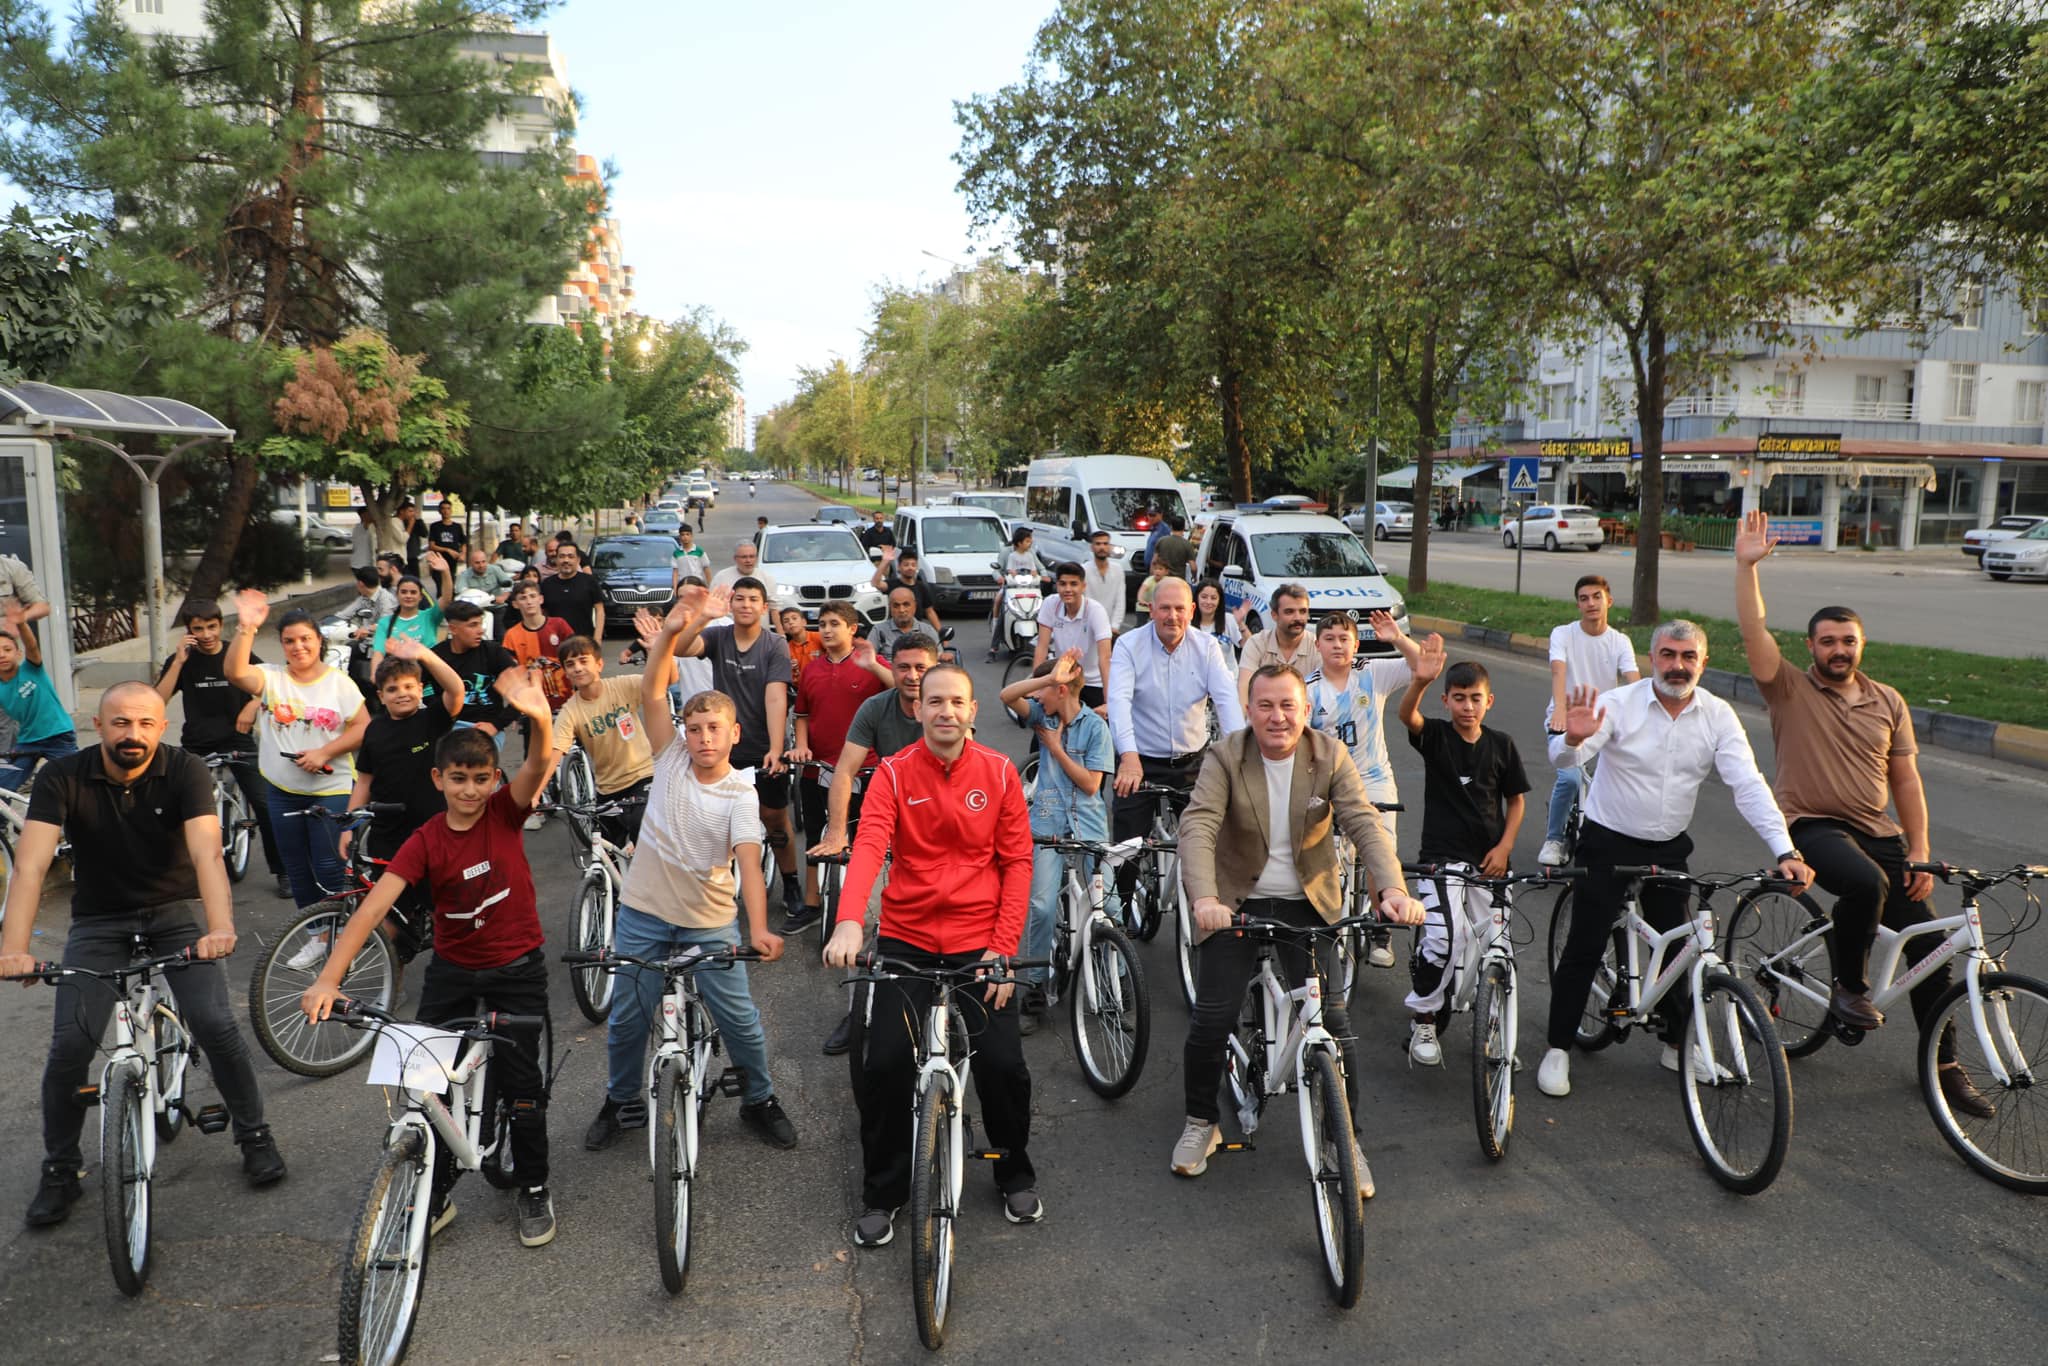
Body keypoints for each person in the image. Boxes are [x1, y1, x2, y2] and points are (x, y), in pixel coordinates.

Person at [1, 682, 287, 1226]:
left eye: (146, 724)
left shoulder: (185, 770)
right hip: (98, 922)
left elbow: (206, 852)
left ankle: (254, 1135)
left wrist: (221, 926)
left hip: (173, 914)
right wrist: (13, 949)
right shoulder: (63, 777)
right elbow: (32, 866)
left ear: (162, 727)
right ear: (100, 726)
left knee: (214, 1023)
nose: (133, 734)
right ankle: (61, 1169)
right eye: (121, 723)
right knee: (70, 1046)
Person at [1733, 511, 1986, 1113]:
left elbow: (1906, 780)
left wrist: (1919, 850)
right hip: (1811, 823)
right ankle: (1848, 987)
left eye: (1848, 641)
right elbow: (1752, 632)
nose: (1838, 650)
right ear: (1811, 647)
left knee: (1930, 950)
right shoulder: (1788, 688)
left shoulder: (1886, 700)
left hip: (1881, 831)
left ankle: (1944, 1066)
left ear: (1861, 645)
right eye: (1828, 641)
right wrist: (1746, 569)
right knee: (1863, 884)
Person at [299, 677, 561, 1248]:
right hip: (452, 970)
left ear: (495, 779)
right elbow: (370, 911)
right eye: (458, 779)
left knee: (523, 1089)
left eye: (481, 779)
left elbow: (539, 763)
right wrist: (327, 978)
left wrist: (539, 718)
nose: (470, 790)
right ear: (438, 780)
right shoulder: (425, 839)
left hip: (518, 967)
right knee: (422, 1083)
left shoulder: (505, 815)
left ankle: (535, 1187)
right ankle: (434, 1193)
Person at [1539, 620, 1815, 1099]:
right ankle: (1558, 1047)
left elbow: (1747, 784)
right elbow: (1564, 762)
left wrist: (1785, 849)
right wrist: (1572, 739)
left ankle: (1676, 1042)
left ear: (1703, 663)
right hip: (1607, 840)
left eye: (1688, 656)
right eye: (1668, 654)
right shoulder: (1619, 703)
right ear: (1652, 659)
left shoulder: (1717, 715)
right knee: (1585, 943)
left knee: (1680, 948)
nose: (1677, 665)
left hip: (1668, 846)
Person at [1171, 664, 1421, 1187]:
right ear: (1249, 710)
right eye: (1265, 705)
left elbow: (1363, 823)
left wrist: (1393, 888)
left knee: (1333, 1022)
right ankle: (1202, 1121)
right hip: (1236, 901)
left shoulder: (1329, 754)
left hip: (1308, 903)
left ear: (1305, 710)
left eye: (1288, 705)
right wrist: (1205, 899)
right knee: (1212, 1019)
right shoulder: (1226, 755)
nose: (1277, 716)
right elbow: (1198, 826)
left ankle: (1345, 1140)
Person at [824, 663, 1041, 1246]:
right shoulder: (892, 774)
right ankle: (885, 1191)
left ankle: (1011, 1167)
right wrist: (849, 921)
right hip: (906, 937)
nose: (946, 711)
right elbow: (869, 844)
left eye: (957, 702)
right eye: (935, 701)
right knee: (885, 1065)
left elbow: (1018, 864)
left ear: (973, 712)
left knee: (1002, 1067)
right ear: (918, 710)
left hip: (979, 941)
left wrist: (1003, 947)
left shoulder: (998, 773)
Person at [582, 597, 800, 1155]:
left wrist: (757, 929)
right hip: (644, 915)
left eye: (714, 729)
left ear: (734, 734)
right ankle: (620, 1098)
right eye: (696, 727)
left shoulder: (740, 793)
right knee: (629, 1019)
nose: (703, 737)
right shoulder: (670, 756)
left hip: (709, 923)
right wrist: (675, 631)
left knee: (741, 1022)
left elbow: (751, 865)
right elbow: (654, 688)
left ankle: (759, 1100)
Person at [1393, 643, 1529, 1065]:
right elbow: (1406, 716)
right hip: (1440, 860)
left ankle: (1497, 1032)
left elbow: (1516, 801)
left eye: (1475, 699)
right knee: (1444, 941)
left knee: (1499, 948)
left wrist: (1505, 847)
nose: (1467, 707)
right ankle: (1425, 1019)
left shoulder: (1502, 745)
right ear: (1446, 700)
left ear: (1489, 701)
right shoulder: (1436, 736)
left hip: (1489, 862)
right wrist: (1420, 679)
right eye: (1458, 698)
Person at [807, 630, 938, 1055]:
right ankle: (857, 1012)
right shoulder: (875, 708)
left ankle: (944, 1005)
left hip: (937, 832)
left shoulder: (945, 705)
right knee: (861, 922)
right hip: (887, 822)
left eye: (922, 667)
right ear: (892, 668)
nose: (913, 675)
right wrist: (837, 829)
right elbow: (845, 771)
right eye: (904, 667)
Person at [664, 578, 800, 920]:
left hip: (762, 747)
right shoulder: (717, 636)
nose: (745, 605)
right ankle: (712, 889)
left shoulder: (774, 645)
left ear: (764, 607)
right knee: (716, 819)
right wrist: (703, 617)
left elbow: (775, 696)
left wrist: (775, 747)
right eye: (739, 598)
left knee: (774, 818)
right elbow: (679, 647)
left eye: (753, 599)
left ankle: (792, 883)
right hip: (724, 748)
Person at [1106, 578, 1245, 911]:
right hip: (1139, 760)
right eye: (1164, 608)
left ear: (1192, 611)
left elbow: (1226, 701)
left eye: (1180, 608)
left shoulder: (1207, 647)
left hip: (1192, 762)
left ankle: (1211, 906)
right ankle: (1122, 914)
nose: (1172, 616)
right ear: (1151, 609)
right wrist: (1128, 756)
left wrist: (1240, 755)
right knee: (1126, 847)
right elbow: (1119, 701)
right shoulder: (1128, 645)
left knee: (1210, 839)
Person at [225, 591, 371, 908]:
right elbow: (235, 672)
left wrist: (324, 752)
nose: (298, 646)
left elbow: (363, 726)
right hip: (282, 790)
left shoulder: (339, 683)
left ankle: (341, 934)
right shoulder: (271, 678)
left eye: (305, 638)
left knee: (328, 866)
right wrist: (246, 628)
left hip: (331, 788)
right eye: (289, 641)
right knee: (297, 869)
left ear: (319, 641)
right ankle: (316, 935)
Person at [1305, 609, 1425, 971]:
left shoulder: (1372, 673)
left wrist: (1398, 639)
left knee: (1380, 853)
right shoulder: (1308, 688)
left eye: (1344, 638)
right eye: (1329, 638)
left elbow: (1424, 668)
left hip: (1374, 780)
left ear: (1356, 643)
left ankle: (1380, 931)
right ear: (1318, 645)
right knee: (1331, 862)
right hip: (1330, 785)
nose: (1337, 645)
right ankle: (1330, 924)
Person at [999, 650, 1111, 1033]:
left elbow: (1091, 784)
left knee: (1104, 907)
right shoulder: (1041, 716)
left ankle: (1110, 976)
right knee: (1042, 906)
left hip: (1088, 827)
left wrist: (1056, 747)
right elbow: (1007, 695)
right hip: (1045, 824)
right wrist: (1046, 679)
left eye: (1046, 691)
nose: (1037, 699)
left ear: (1063, 690)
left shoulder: (1095, 728)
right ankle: (1032, 989)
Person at [155, 601, 288, 898]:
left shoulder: (236, 653)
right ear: (189, 631)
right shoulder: (182, 660)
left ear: (220, 625)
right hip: (196, 744)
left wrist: (252, 706)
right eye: (197, 629)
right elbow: (155, 702)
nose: (205, 634)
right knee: (174, 805)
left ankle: (283, 871)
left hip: (238, 741)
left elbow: (270, 687)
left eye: (211, 627)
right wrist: (177, 662)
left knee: (265, 803)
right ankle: (173, 873)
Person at [784, 602, 892, 932]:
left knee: (863, 841)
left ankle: (859, 906)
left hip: (865, 768)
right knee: (816, 834)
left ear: (852, 629)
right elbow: (802, 714)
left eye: (835, 623)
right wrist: (801, 745)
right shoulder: (813, 669)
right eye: (823, 624)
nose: (827, 630)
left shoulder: (871, 665)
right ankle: (812, 903)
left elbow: (902, 690)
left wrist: (874, 667)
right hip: (818, 767)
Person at [1538, 575, 1639, 867]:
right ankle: (1554, 838)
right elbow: (1558, 670)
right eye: (1584, 598)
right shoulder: (1563, 634)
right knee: (1569, 778)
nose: (1591, 603)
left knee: (1613, 784)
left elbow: (1633, 680)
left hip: (1603, 726)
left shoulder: (1620, 641)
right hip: (1566, 720)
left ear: (1609, 600)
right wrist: (1559, 710)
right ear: (1578, 604)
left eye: (1597, 596)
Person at [550, 635, 654, 851]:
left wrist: (655, 652)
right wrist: (534, 794)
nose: (577, 668)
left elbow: (663, 680)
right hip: (608, 789)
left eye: (583, 660)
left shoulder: (622, 686)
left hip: (642, 777)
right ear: (566, 672)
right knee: (604, 851)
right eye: (570, 664)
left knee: (640, 828)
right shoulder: (571, 710)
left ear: (599, 664)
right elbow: (555, 752)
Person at [0, 607, 77, 791]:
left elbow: (32, 646)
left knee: (76, 782)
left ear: (18, 654)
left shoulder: (32, 669)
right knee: (3, 786)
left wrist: (20, 622)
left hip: (59, 736)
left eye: (7, 649)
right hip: (27, 742)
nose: (2, 655)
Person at [434, 600, 519, 749]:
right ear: (453, 629)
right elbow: (422, 693)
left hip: (486, 727)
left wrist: (497, 724)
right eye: (473, 625)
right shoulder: (436, 657)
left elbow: (523, 690)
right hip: (448, 729)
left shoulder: (493, 652)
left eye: (480, 624)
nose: (481, 630)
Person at [1031, 562, 1113, 711]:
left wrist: (1109, 701)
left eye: (1074, 584)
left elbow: (1105, 658)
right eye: (1063, 584)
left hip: (1093, 683)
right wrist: (1037, 686)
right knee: (1046, 727)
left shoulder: (1096, 611)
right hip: (1064, 680)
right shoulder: (1050, 604)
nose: (1068, 589)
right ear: (1057, 586)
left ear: (1083, 586)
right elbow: (1042, 647)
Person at [1236, 583, 1318, 708]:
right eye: (1289, 612)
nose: (1298, 618)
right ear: (1274, 615)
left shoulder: (1317, 646)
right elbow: (1244, 689)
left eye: (1303, 611)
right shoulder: (1256, 643)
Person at [370, 562, 450, 680]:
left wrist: (445, 572)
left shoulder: (429, 616)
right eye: (403, 592)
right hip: (399, 679)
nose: (408, 596)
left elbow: (447, 599)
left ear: (420, 597)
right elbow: (378, 653)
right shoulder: (385, 623)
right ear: (397, 595)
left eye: (413, 592)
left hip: (429, 679)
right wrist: (374, 675)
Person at [340, 567, 398, 697]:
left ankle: (371, 695)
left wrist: (368, 629)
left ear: (360, 584)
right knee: (345, 652)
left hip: (381, 644)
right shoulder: (364, 598)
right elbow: (345, 614)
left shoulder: (385, 598)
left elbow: (386, 623)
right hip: (365, 642)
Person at [870, 547, 943, 640]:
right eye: (906, 564)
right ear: (899, 567)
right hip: (893, 632)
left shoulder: (921, 587)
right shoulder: (892, 584)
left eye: (913, 565)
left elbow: (930, 612)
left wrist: (941, 634)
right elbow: (875, 583)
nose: (910, 568)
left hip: (916, 632)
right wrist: (885, 562)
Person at [540, 541, 605, 640]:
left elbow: (599, 610)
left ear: (578, 560)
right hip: (555, 642)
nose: (566, 560)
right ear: (556, 559)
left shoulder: (589, 581)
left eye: (570, 556)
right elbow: (543, 613)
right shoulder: (547, 584)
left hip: (584, 641)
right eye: (562, 556)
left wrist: (597, 639)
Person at [1189, 578, 1244, 668]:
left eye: (1213, 598)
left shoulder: (1228, 619)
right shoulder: (1187, 622)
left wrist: (1241, 624)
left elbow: (1249, 646)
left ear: (1219, 601)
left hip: (1228, 679)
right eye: (1204, 597)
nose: (1208, 602)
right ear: (1196, 598)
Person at [1080, 529, 1127, 633]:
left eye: (1105, 544)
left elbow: (1120, 600)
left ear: (1109, 547)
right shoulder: (1083, 570)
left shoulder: (1118, 569)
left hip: (1110, 628)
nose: (1102, 547)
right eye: (1098, 544)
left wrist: (1115, 626)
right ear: (1092, 547)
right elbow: (1080, 600)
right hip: (1087, 627)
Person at [869, 585, 927, 662]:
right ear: (890, 608)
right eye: (896, 606)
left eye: (906, 605)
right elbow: (868, 659)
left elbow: (938, 659)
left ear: (915, 606)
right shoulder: (878, 630)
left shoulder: (927, 630)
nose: (901, 610)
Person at [710, 541, 779, 602]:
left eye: (751, 556)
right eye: (744, 557)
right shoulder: (721, 577)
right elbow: (711, 602)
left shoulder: (767, 578)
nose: (748, 561)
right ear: (735, 558)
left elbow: (774, 607)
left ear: (756, 558)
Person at [776, 607, 822, 684]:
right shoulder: (786, 649)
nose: (791, 622)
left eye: (794, 618)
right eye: (786, 621)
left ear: (804, 622)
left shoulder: (819, 637)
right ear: (783, 628)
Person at [1152, 515, 1196, 581]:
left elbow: (1154, 561)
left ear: (1171, 527)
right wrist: (1194, 577)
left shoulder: (1161, 541)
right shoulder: (1187, 544)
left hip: (1163, 579)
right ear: (1183, 527)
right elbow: (1193, 567)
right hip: (1178, 581)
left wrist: (1153, 576)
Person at [671, 525, 710, 593]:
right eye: (682, 535)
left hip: (697, 584)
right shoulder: (676, 553)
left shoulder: (699, 551)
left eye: (687, 534)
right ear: (680, 537)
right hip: (683, 585)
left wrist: (710, 586)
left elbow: (706, 569)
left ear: (691, 536)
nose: (685, 537)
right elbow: (675, 572)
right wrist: (675, 588)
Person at [349, 506, 377, 572]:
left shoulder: (357, 527)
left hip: (359, 563)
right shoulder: (361, 528)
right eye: (370, 514)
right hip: (362, 564)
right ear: (364, 515)